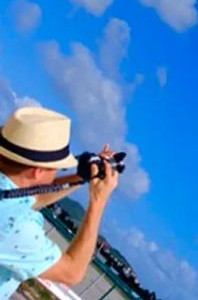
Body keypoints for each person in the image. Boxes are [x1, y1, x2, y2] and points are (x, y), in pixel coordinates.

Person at [0, 106, 119, 298]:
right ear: (37, 171)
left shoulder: (9, 201)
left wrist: (81, 177)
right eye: (56, 167)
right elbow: (72, 271)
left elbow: (30, 197)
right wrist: (98, 200)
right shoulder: (16, 226)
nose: (57, 171)